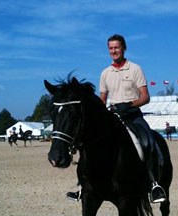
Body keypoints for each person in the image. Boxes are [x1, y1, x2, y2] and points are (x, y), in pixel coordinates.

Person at [67, 34, 166, 203]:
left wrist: (130, 105)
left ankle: (153, 184)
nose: (114, 51)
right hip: (113, 116)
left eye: (116, 47)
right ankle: (83, 186)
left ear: (123, 48)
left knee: (147, 141)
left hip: (133, 115)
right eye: (111, 48)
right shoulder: (105, 73)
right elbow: (102, 101)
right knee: (90, 145)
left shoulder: (135, 69)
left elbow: (145, 97)